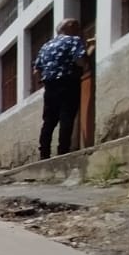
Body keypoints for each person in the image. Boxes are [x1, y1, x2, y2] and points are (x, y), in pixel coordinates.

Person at [33, 18, 88, 159]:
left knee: (49, 120)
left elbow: (36, 70)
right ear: (69, 27)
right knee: (66, 116)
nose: (78, 30)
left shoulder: (46, 46)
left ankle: (44, 154)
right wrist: (86, 66)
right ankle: (63, 151)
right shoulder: (73, 40)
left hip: (50, 86)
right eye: (76, 26)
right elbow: (79, 60)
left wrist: (43, 80)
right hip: (67, 82)